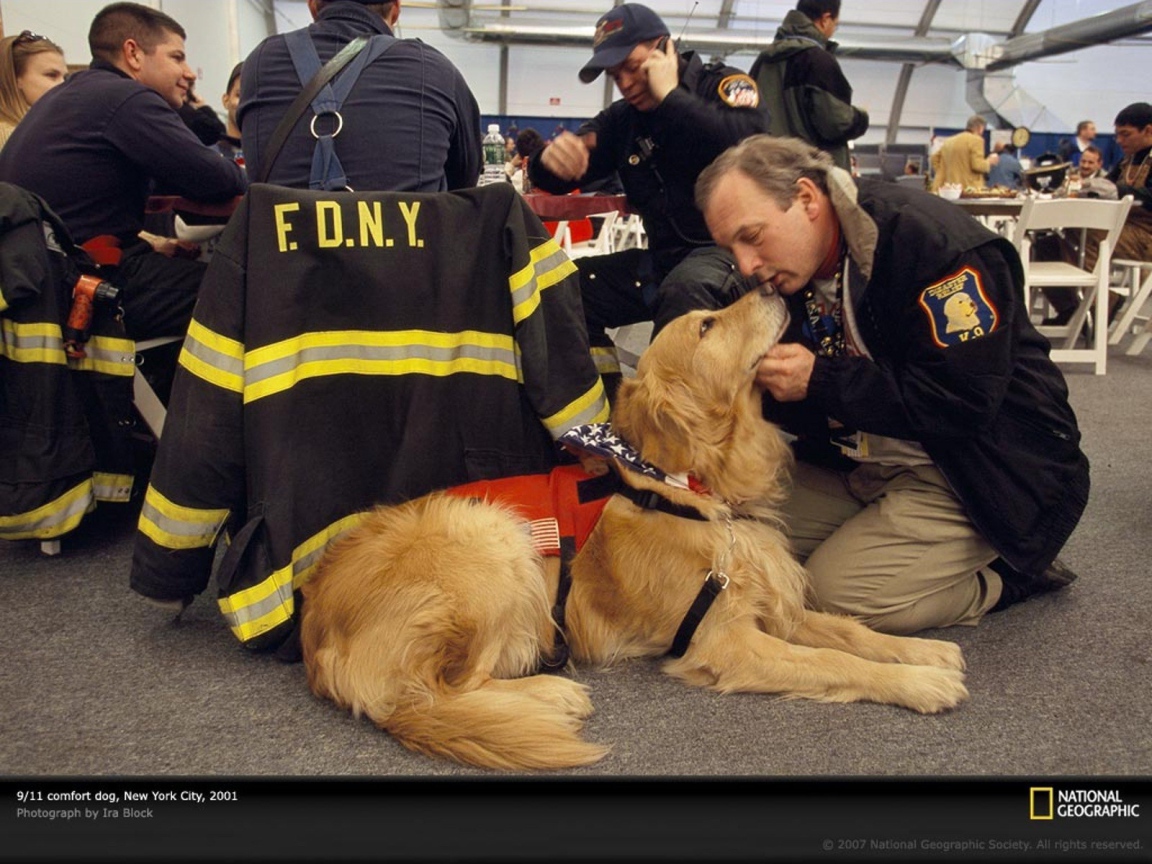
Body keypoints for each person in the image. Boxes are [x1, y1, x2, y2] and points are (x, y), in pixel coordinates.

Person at [695, 134, 1087, 634]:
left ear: (808, 200)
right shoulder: (783, 274)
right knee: (725, 532)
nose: (746, 263)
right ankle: (886, 543)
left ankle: (1005, 578)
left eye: (752, 236)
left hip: (980, 473)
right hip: (865, 461)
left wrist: (820, 380)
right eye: (731, 247)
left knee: (830, 597)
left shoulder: (933, 246)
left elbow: (963, 403)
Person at [527, 2, 769, 390]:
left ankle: (666, 434)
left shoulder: (720, 86)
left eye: (633, 67)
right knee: (562, 289)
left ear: (664, 50)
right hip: (663, 265)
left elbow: (747, 143)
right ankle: (606, 408)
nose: (624, 82)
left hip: (734, 259)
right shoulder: (624, 119)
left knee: (686, 289)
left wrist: (671, 98)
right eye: (614, 74)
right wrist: (547, 162)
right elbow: (564, 167)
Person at [0, 2, 246, 352]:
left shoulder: (73, 95)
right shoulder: (126, 98)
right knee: (253, 293)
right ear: (133, 54)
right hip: (84, 284)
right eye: (177, 57)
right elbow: (220, 179)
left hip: (41, 282)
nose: (189, 72)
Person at [239, 0, 481, 191]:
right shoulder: (437, 70)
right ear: (395, 10)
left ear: (313, 5)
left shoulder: (261, 61)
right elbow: (464, 183)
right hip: (403, 251)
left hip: (282, 250)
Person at [749, 0, 868, 170]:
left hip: (770, 172)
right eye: (835, 24)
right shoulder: (818, 60)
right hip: (813, 174)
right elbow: (835, 123)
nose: (833, 30)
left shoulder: (763, 61)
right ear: (825, 19)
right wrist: (860, 118)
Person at [0, 30, 67, 148]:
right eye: (51, 75)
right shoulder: (12, 138)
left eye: (65, 77)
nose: (63, 84)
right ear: (14, 78)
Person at [930, 115, 998, 191]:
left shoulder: (949, 141)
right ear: (980, 128)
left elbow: (934, 158)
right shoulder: (977, 140)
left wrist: (944, 173)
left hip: (949, 187)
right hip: (968, 189)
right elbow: (977, 166)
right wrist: (989, 161)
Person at [216, 61, 244, 165]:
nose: (246, 103)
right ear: (226, 101)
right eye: (239, 95)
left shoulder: (272, 157)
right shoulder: (212, 157)